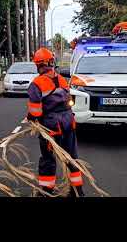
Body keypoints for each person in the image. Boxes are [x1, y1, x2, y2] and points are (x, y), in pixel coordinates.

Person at [27, 47, 84, 197]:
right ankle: (77, 191)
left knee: (48, 159)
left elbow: (36, 112)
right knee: (71, 157)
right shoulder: (62, 80)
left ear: (38, 65)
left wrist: (31, 119)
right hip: (68, 122)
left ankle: (46, 191)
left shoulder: (37, 84)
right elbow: (69, 100)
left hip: (52, 127)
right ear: (51, 62)